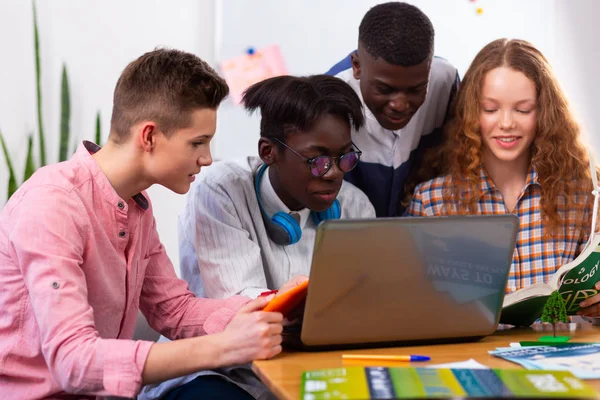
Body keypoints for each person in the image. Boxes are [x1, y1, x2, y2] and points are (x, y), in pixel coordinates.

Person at [0, 48, 292, 399]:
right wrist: (225, 347)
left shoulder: (135, 206)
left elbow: (175, 309)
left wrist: (279, 304)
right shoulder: (52, 204)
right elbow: (74, 361)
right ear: (149, 136)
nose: (207, 158)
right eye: (197, 142)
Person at [139, 75, 375, 399]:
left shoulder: (356, 205)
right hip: (221, 369)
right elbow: (242, 309)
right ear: (269, 152)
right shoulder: (222, 190)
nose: (333, 172)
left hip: (314, 366)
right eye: (317, 160)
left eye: (345, 158)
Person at [406, 38, 600, 317]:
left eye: (523, 109)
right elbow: (414, 308)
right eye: (490, 109)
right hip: (471, 358)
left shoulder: (584, 196)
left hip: (560, 355)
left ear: (544, 112)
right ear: (472, 113)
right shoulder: (431, 201)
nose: (506, 123)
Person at [326, 1, 459, 217]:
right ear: (357, 66)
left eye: (416, 89)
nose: (399, 105)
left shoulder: (445, 82)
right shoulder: (328, 99)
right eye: (384, 89)